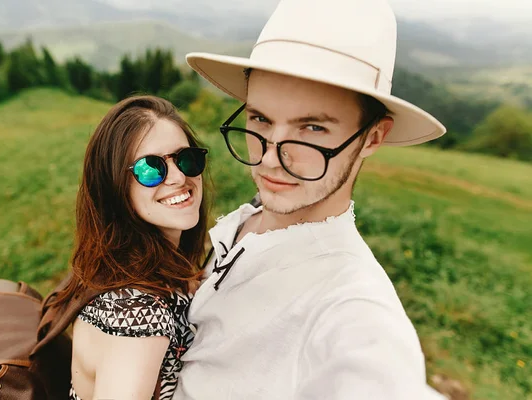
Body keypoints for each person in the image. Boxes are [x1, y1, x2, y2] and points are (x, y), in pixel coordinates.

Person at [174, 0, 448, 399]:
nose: (269, 157)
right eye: (260, 119)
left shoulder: (352, 304)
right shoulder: (247, 219)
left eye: (313, 128)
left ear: (372, 137)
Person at [54, 95, 209, 400]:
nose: (179, 177)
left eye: (185, 158)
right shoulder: (139, 314)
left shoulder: (124, 268)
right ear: (114, 186)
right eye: (150, 169)